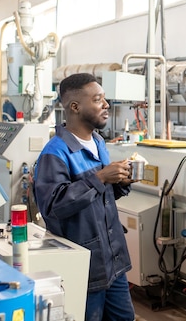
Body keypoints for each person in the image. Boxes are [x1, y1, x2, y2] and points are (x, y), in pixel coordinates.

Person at [33, 73, 136, 321]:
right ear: (75, 107)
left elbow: (98, 197)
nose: (106, 105)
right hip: (85, 266)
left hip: (113, 261)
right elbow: (54, 206)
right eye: (98, 99)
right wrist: (100, 177)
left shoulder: (98, 142)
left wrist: (120, 182)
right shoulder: (55, 153)